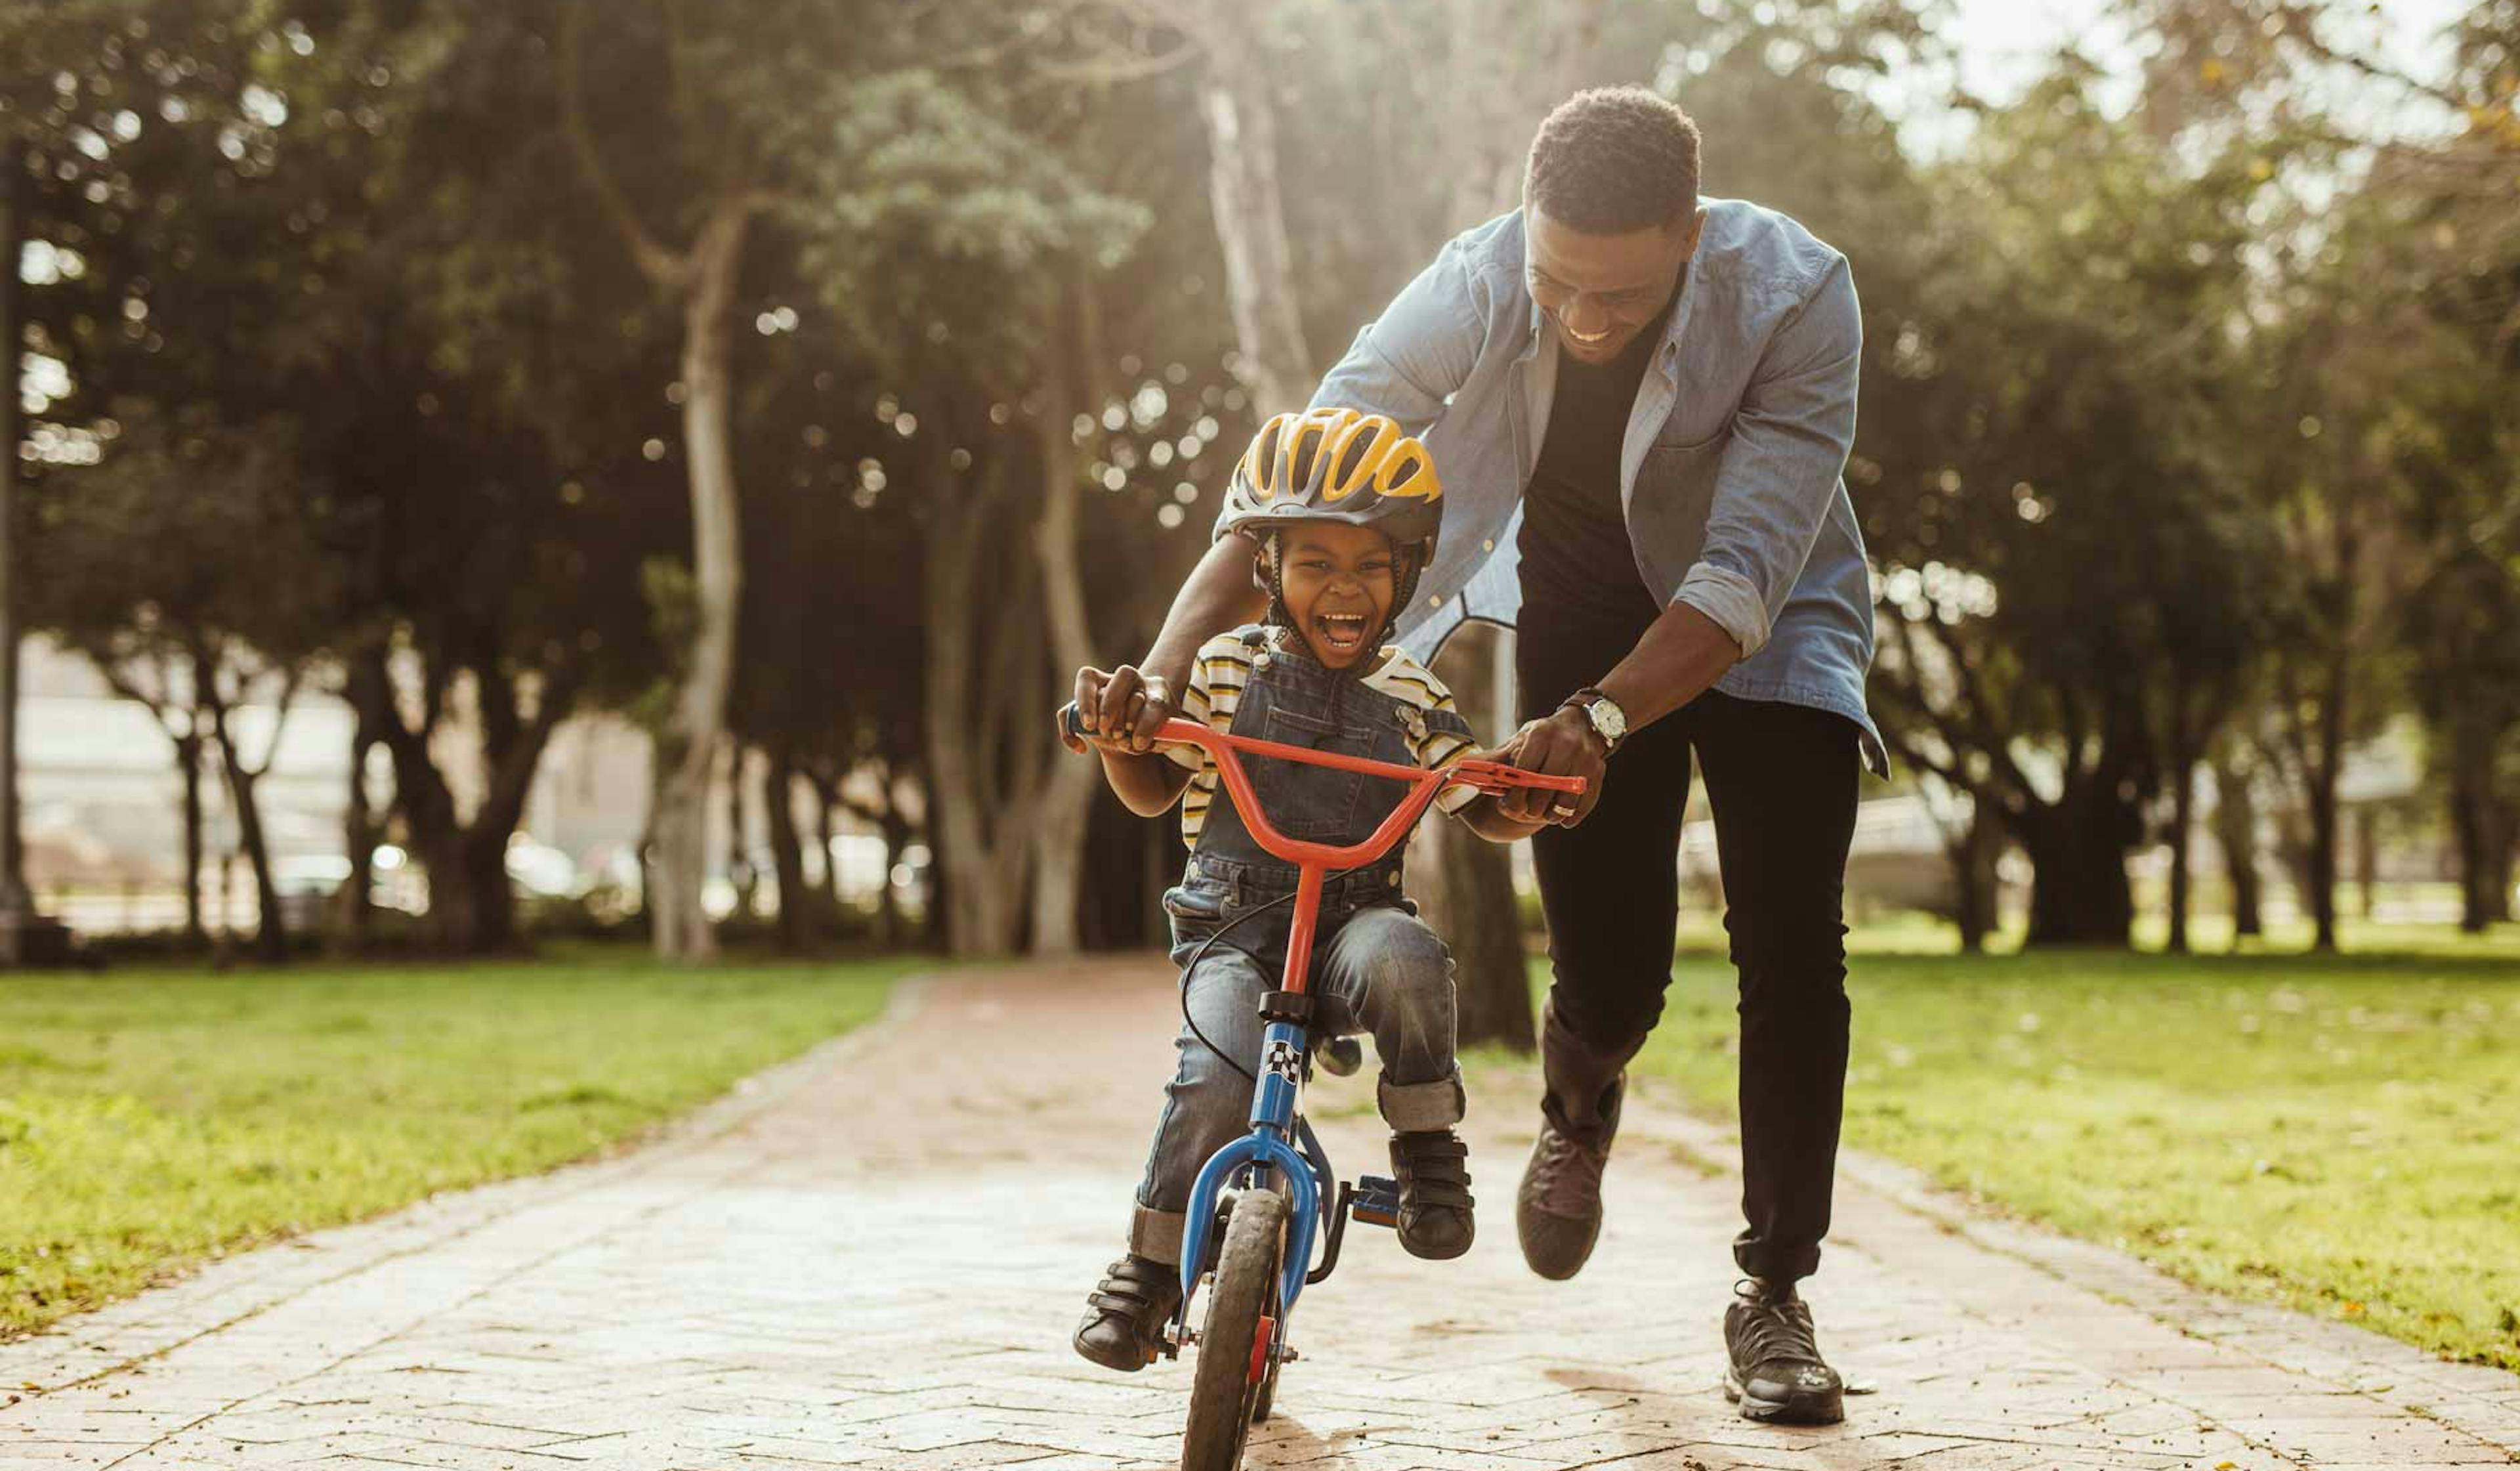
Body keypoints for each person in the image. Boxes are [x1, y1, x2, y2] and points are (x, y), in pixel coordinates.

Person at [1076, 87, 1880, 1424]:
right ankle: (1581, 1098)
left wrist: (1607, 717)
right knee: (1611, 966)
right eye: (1560, 282)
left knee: (1793, 938)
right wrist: (1164, 671)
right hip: (1583, 601)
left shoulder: (1799, 295)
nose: (1585, 318)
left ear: (1690, 232)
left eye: (1622, 294)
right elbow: (1297, 482)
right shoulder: (1475, 277)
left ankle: (1775, 1288)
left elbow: (1744, 569)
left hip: (1772, 614)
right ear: (1527, 229)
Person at [1068, 408, 1544, 1373]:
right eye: (1316, 561)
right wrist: (1124, 743)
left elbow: (1471, 797)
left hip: (1351, 925)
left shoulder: (1413, 692)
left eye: (1373, 565)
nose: (1345, 587)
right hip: (1233, 930)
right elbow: (1157, 783)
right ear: (1268, 570)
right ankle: (1149, 1268)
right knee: (1218, 1069)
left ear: (1407, 574)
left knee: (1409, 961)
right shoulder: (1220, 666)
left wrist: (1523, 799)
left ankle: (1425, 1148)